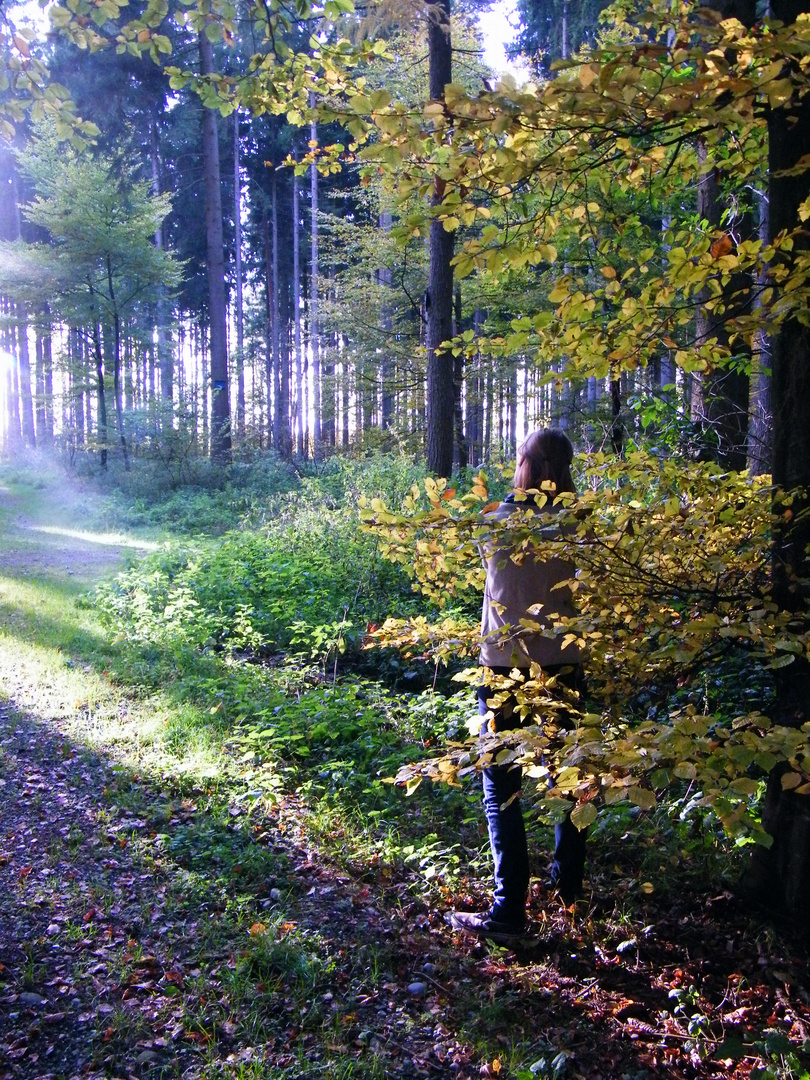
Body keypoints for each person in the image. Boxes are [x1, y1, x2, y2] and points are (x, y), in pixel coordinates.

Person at [450, 428, 586, 944]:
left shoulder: (499, 523)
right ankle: (567, 892)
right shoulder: (576, 525)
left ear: (525, 466)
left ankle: (510, 912)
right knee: (567, 783)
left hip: (504, 669)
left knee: (501, 790)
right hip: (564, 669)